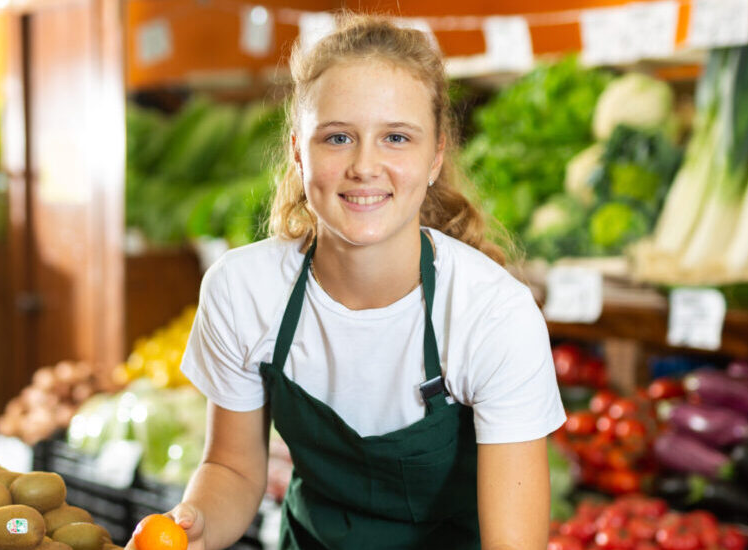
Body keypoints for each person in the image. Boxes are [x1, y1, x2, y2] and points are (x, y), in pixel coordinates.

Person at [127, 14, 564, 550]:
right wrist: (190, 525)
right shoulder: (242, 291)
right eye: (337, 138)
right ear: (296, 150)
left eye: (396, 138)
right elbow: (234, 471)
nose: (364, 166)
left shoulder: (493, 315)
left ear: (436, 156)